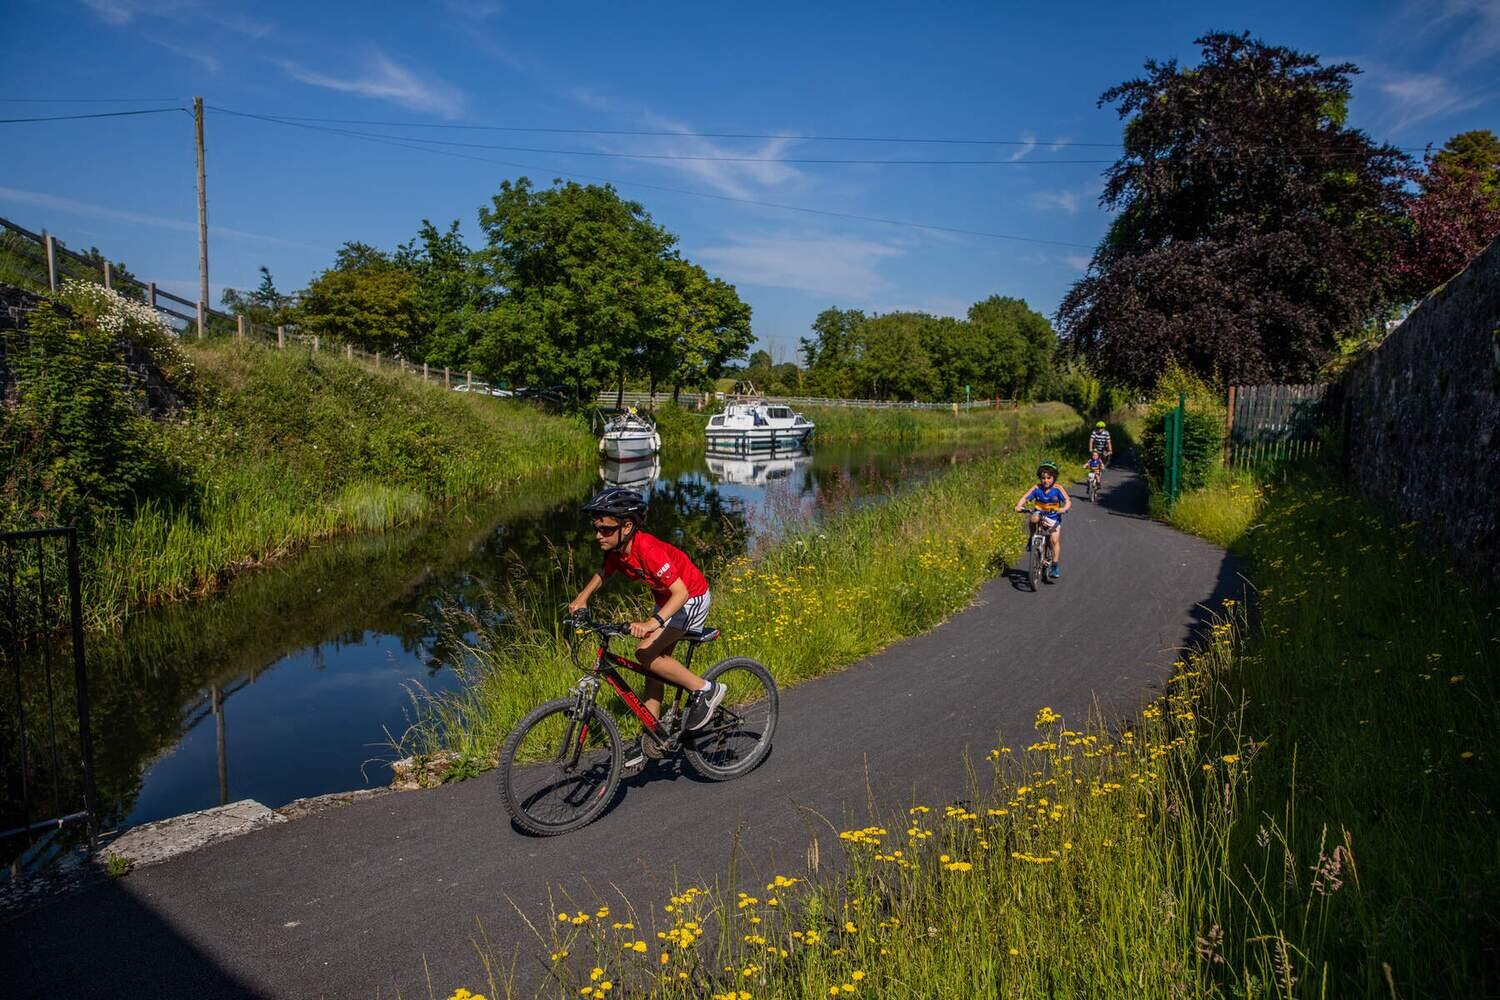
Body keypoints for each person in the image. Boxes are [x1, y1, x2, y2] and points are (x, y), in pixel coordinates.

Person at [568, 487, 725, 768]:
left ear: (627, 527)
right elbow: (605, 571)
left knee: (645, 653)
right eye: (597, 528)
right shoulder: (617, 549)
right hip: (667, 599)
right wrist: (582, 597)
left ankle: (706, 689)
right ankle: (652, 732)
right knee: (652, 665)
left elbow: (681, 593)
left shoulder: (648, 550)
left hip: (690, 597)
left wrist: (653, 622)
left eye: (605, 529)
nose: (598, 535)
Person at [1014, 460, 1072, 579]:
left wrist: (1063, 508)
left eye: (1049, 478)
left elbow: (1067, 501)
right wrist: (1019, 506)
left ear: (1054, 477)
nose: (1046, 481)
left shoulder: (1058, 488)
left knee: (1054, 540)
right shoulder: (1036, 488)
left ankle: (1054, 566)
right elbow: (1025, 497)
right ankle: (1032, 538)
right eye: (1043, 478)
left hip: (1053, 517)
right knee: (1033, 518)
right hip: (1039, 513)